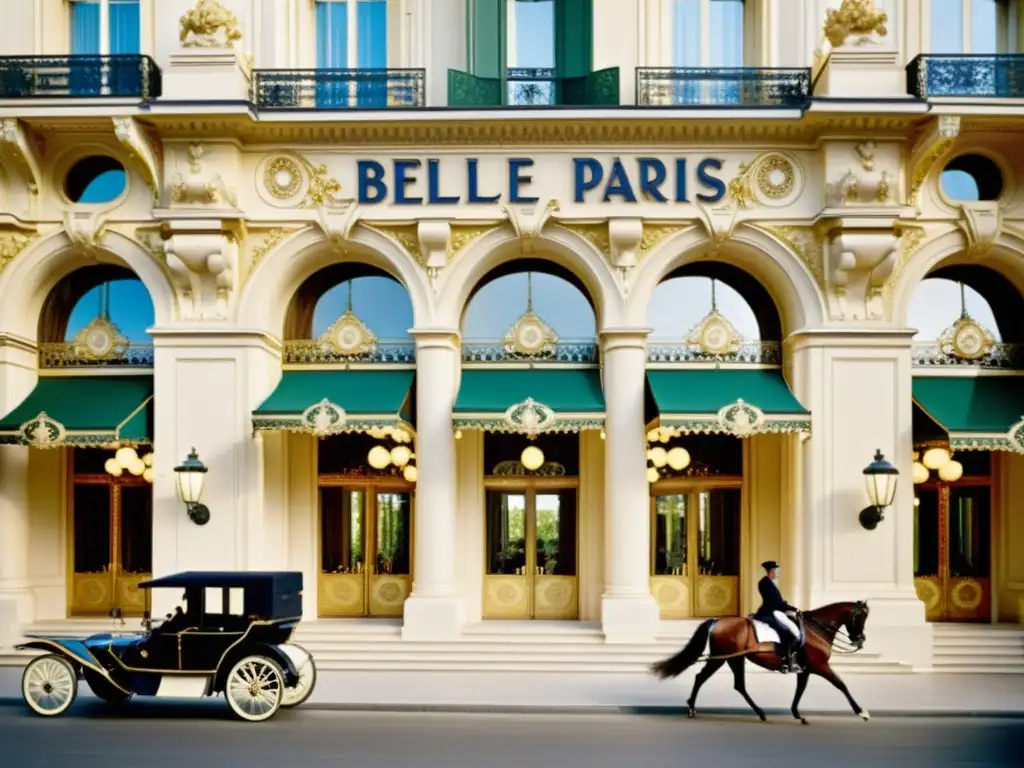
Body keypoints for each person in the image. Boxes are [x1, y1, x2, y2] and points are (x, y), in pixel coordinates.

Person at [754, 560, 803, 673]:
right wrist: (793, 609)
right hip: (768, 613)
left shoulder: (768, 582)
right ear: (771, 571)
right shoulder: (765, 583)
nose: (777, 573)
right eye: (776, 571)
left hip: (772, 611)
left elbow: (778, 601)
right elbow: (776, 602)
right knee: (787, 633)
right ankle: (786, 662)